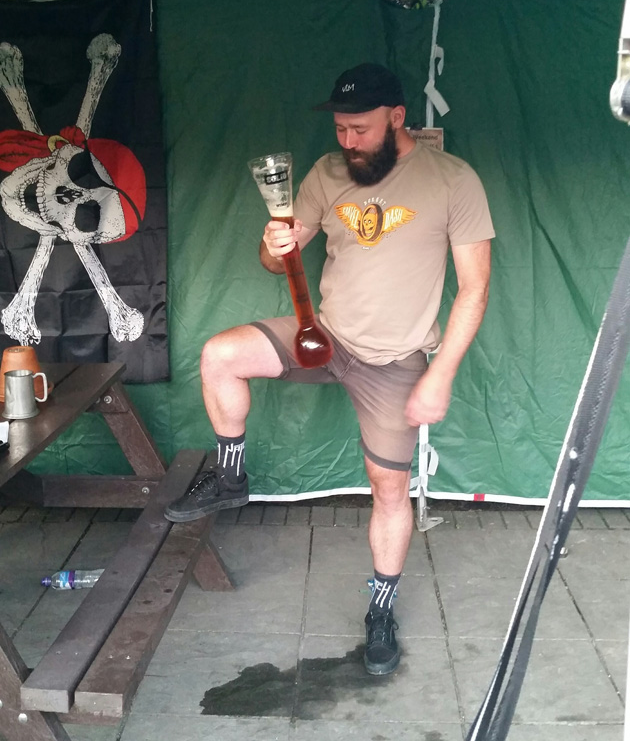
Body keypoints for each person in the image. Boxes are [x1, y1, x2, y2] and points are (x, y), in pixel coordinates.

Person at [165, 63, 495, 676]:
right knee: (220, 355)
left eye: (360, 129)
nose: (347, 141)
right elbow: (273, 259)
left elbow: (474, 290)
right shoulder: (325, 172)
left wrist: (440, 373)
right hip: (325, 336)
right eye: (341, 128)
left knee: (389, 488)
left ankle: (381, 609)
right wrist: (274, 243)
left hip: (396, 360)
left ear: (397, 117)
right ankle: (231, 476)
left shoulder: (453, 180)